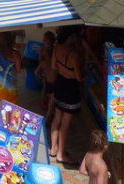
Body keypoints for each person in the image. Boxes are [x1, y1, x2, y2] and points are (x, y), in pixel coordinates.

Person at [50, 27, 82, 164]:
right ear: (70, 38)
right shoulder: (74, 54)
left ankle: (53, 149)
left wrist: (64, 71)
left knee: (57, 118)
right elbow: (79, 77)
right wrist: (71, 73)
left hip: (60, 84)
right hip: (71, 88)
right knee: (65, 123)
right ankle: (61, 155)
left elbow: (53, 67)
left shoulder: (56, 48)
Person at [36, 30, 56, 114]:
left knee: (45, 89)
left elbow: (40, 60)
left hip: (45, 71)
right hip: (49, 73)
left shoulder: (43, 49)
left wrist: (41, 74)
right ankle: (48, 106)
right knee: (49, 92)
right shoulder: (53, 49)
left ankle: (44, 104)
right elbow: (40, 60)